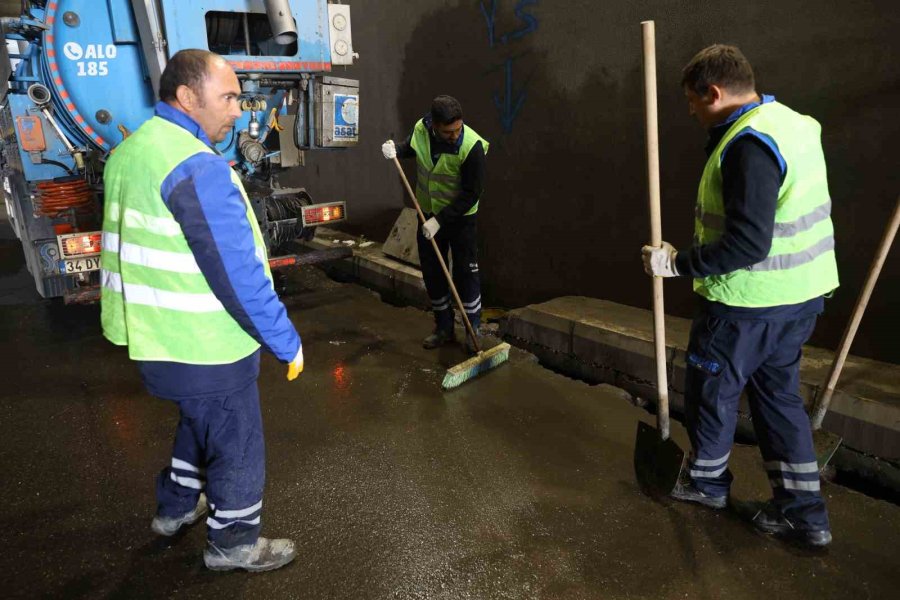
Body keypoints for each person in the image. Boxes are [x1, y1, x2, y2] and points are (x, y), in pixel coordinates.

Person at [100, 49, 305, 571]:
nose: (238, 110)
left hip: (159, 338)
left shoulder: (133, 151)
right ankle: (233, 543)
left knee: (199, 422)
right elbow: (237, 275)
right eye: (228, 97)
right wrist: (285, 340)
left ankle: (174, 509)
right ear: (188, 97)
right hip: (208, 343)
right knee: (235, 439)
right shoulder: (198, 168)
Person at [641, 44, 839, 548]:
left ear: (714, 92)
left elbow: (749, 243)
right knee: (778, 400)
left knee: (711, 389)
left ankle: (707, 483)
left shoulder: (748, 144)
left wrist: (677, 263)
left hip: (747, 305)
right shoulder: (792, 123)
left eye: (692, 101)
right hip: (800, 298)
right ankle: (805, 516)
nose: (690, 111)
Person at [381, 96, 489, 353]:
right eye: (447, 132)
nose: (454, 135)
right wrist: (396, 148)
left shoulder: (471, 147)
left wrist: (440, 221)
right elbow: (412, 147)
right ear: (434, 127)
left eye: (457, 129)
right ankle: (443, 327)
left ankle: (473, 328)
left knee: (465, 271)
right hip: (426, 214)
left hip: (460, 218)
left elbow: (471, 193)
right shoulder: (421, 129)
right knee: (433, 272)